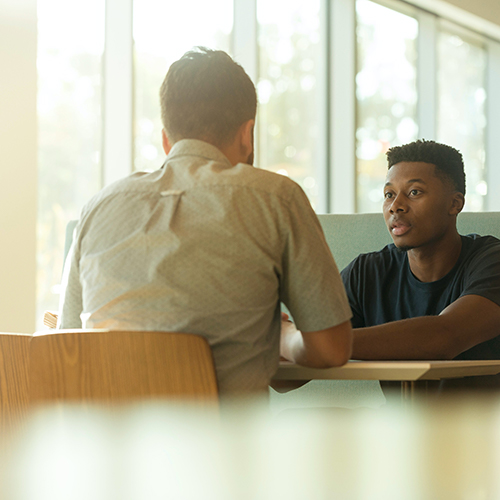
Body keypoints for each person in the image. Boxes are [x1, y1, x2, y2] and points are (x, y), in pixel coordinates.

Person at [58, 47, 352, 396]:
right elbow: (331, 349)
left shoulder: (98, 207)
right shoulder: (276, 198)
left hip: (104, 445)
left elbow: (66, 345)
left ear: (166, 139)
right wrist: (283, 337)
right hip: (223, 446)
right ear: (248, 134)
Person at [341, 139, 500, 390]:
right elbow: (286, 380)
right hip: (401, 426)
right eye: (389, 195)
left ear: (454, 204)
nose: (396, 206)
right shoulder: (366, 273)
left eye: (414, 192)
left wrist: (320, 344)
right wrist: (282, 340)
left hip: (484, 426)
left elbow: (444, 337)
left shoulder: (492, 261)